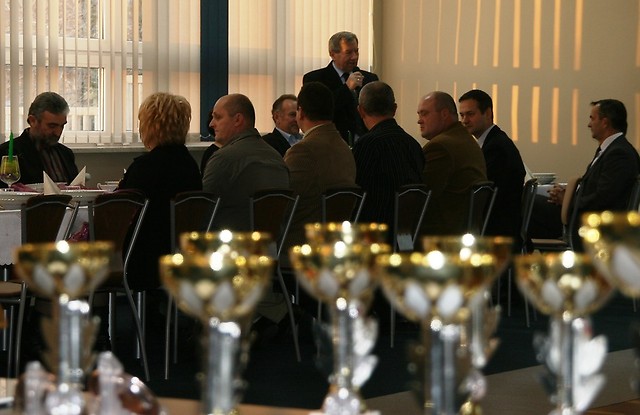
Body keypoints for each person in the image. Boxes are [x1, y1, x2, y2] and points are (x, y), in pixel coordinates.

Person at [118, 92, 202, 291]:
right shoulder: (190, 166)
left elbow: (122, 213)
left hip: (144, 257)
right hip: (180, 252)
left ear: (152, 126)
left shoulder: (145, 168)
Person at [546, 99, 640, 251]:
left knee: (527, 208)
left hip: (590, 225)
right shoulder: (611, 150)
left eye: (592, 118)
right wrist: (566, 195)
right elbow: (596, 190)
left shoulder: (619, 153)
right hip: (583, 217)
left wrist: (569, 201)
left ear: (605, 122)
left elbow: (604, 198)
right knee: (533, 204)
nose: (589, 124)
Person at [202, 93, 289, 231]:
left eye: (218, 117)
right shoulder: (277, 158)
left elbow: (202, 210)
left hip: (232, 240)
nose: (211, 124)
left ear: (237, 120)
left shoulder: (223, 159)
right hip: (271, 241)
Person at [284, 81, 357, 247]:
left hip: (302, 241)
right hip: (335, 241)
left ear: (301, 112)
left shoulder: (302, 151)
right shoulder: (345, 148)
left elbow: (284, 203)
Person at [353, 81, 424, 235]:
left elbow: (357, 195)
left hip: (373, 234)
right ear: (394, 109)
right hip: (407, 234)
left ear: (361, 110)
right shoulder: (413, 145)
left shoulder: (366, 145)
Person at [458, 89, 526, 249]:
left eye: (470, 114)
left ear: (488, 113)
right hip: (502, 226)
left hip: (497, 231)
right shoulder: (494, 141)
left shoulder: (496, 148)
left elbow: (483, 194)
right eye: (462, 115)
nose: (465, 120)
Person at [417, 91, 487, 235]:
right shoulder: (466, 139)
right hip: (465, 231)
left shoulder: (440, 146)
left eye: (424, 114)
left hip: (441, 234)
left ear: (444, 114)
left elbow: (421, 197)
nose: (419, 121)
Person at [302, 31, 378, 144]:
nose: (354, 57)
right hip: (332, 143)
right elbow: (319, 112)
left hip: (367, 143)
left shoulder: (369, 79)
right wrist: (346, 89)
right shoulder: (315, 79)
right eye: (348, 52)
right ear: (332, 54)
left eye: (356, 51)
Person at [0, 92, 79, 186]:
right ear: (32, 121)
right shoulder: (7, 153)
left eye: (62, 126)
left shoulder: (66, 153)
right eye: (52, 126)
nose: (58, 133)